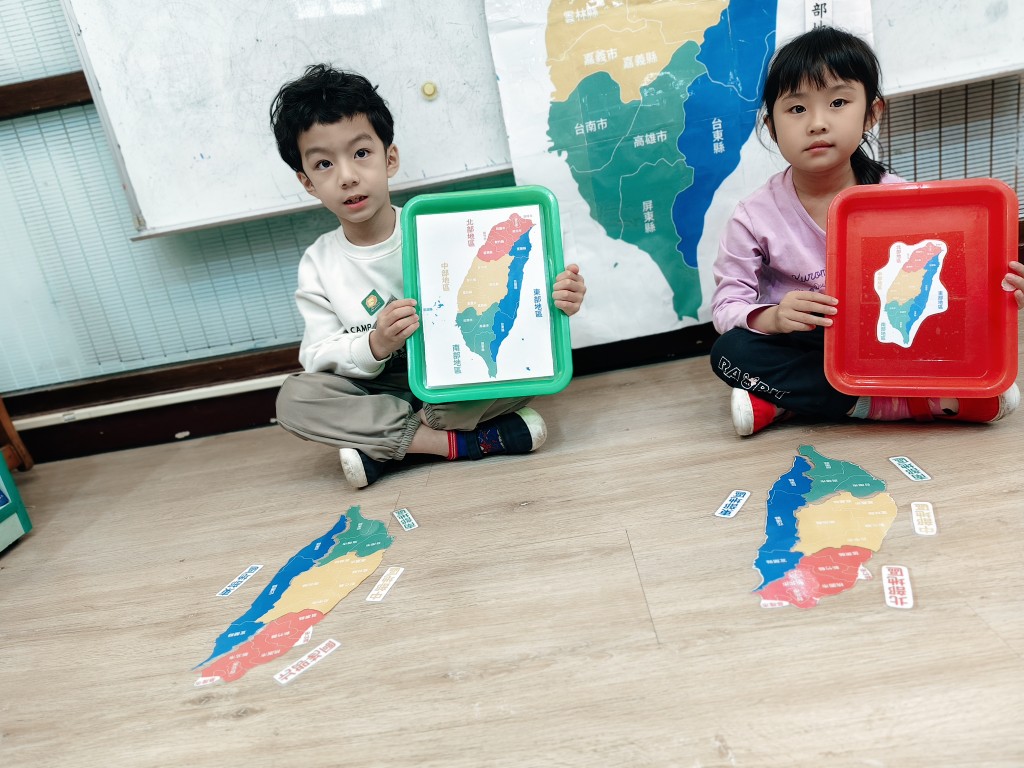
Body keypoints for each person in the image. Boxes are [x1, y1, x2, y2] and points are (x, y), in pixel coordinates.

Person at [269, 65, 587, 487]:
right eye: (324, 164)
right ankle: (457, 443)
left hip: (450, 375)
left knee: (530, 367)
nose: (347, 176)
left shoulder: (441, 229)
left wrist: (556, 297)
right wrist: (375, 344)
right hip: (378, 389)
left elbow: (504, 295)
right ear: (308, 182)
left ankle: (388, 446)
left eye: (361, 153)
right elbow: (317, 356)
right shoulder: (319, 261)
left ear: (390, 159)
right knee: (295, 400)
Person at [709, 26, 1024, 436]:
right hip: (809, 343)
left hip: (886, 340)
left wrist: (1002, 290)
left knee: (942, 328)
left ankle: (784, 403)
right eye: (797, 109)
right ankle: (905, 403)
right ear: (772, 128)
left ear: (872, 113)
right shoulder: (752, 216)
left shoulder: (899, 199)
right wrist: (774, 316)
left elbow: (946, 283)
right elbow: (726, 306)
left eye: (838, 102)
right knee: (729, 353)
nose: (817, 123)